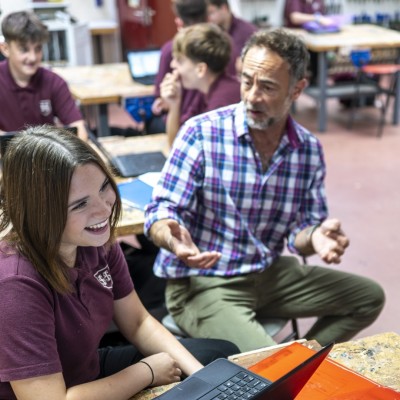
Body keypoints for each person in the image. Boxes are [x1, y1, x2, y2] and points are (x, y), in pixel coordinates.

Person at [144, 28, 385, 353]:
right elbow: (161, 210)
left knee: (369, 298)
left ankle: (298, 362)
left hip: (268, 274)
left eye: (267, 86)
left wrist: (316, 237)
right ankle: (287, 367)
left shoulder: (306, 149)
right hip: (204, 283)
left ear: (297, 89)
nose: (252, 96)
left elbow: (302, 229)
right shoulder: (202, 133)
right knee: (273, 370)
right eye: (247, 81)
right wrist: (171, 237)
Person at [0, 125, 239, 400]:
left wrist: (205, 379)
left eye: (104, 187)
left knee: (218, 357)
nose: (103, 209)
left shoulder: (94, 241)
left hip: (85, 373)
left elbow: (137, 322)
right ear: (40, 212)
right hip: (56, 392)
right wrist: (145, 371)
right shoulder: (15, 283)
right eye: (80, 204)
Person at [0, 11, 88, 141]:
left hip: (46, 159)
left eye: (38, 49)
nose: (33, 57)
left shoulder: (54, 82)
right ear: (5, 49)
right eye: (24, 50)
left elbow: (79, 130)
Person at [160, 23, 240, 146]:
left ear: (201, 69)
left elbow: (180, 150)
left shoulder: (220, 104)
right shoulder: (206, 92)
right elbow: (177, 144)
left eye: (179, 60)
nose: (172, 65)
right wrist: (174, 104)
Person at [150, 0, 209, 134]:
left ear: (179, 22)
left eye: (179, 61)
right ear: (208, 18)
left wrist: (167, 102)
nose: (173, 64)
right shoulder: (222, 47)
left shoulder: (169, 50)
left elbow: (162, 100)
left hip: (180, 125)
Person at [283, 0, 334, 85]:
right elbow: (295, 17)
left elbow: (323, 18)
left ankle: (318, 79)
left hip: (314, 37)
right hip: (295, 39)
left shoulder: (318, 1)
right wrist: (317, 18)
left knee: (322, 51)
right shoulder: (294, 1)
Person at [206, 0, 258, 74]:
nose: (209, 18)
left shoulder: (248, 32)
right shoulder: (213, 32)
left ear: (224, 8)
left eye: (211, 13)